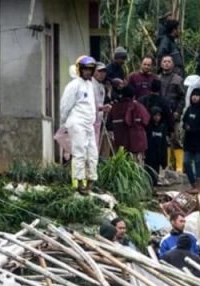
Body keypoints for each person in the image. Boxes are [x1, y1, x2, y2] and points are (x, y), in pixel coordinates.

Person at [60, 56, 100, 190]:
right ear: (80, 70)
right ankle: (78, 182)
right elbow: (65, 106)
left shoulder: (90, 84)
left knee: (92, 153)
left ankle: (91, 180)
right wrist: (64, 123)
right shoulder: (73, 85)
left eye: (90, 69)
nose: (88, 72)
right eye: (86, 69)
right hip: (77, 122)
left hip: (89, 124)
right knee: (79, 152)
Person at [158, 54, 185, 170]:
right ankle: (166, 165)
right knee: (165, 140)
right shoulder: (157, 78)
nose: (166, 63)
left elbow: (183, 98)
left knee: (176, 139)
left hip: (174, 114)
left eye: (169, 61)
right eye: (164, 61)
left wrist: (178, 112)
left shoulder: (178, 79)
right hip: (162, 114)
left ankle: (179, 167)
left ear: (173, 64)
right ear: (161, 64)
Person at [109, 86, 150, 160]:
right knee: (136, 165)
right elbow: (146, 120)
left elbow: (108, 123)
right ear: (134, 96)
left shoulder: (115, 107)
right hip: (137, 142)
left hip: (120, 142)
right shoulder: (138, 106)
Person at [93, 62, 113, 155]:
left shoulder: (101, 87)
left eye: (104, 72)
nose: (102, 74)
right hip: (89, 120)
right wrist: (101, 108)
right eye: (100, 71)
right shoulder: (90, 84)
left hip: (99, 121)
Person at [146, 107, 169, 182]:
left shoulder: (162, 127)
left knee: (155, 175)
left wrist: (164, 160)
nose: (157, 117)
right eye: (155, 115)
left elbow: (164, 144)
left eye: (159, 115)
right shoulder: (148, 127)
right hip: (149, 154)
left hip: (158, 154)